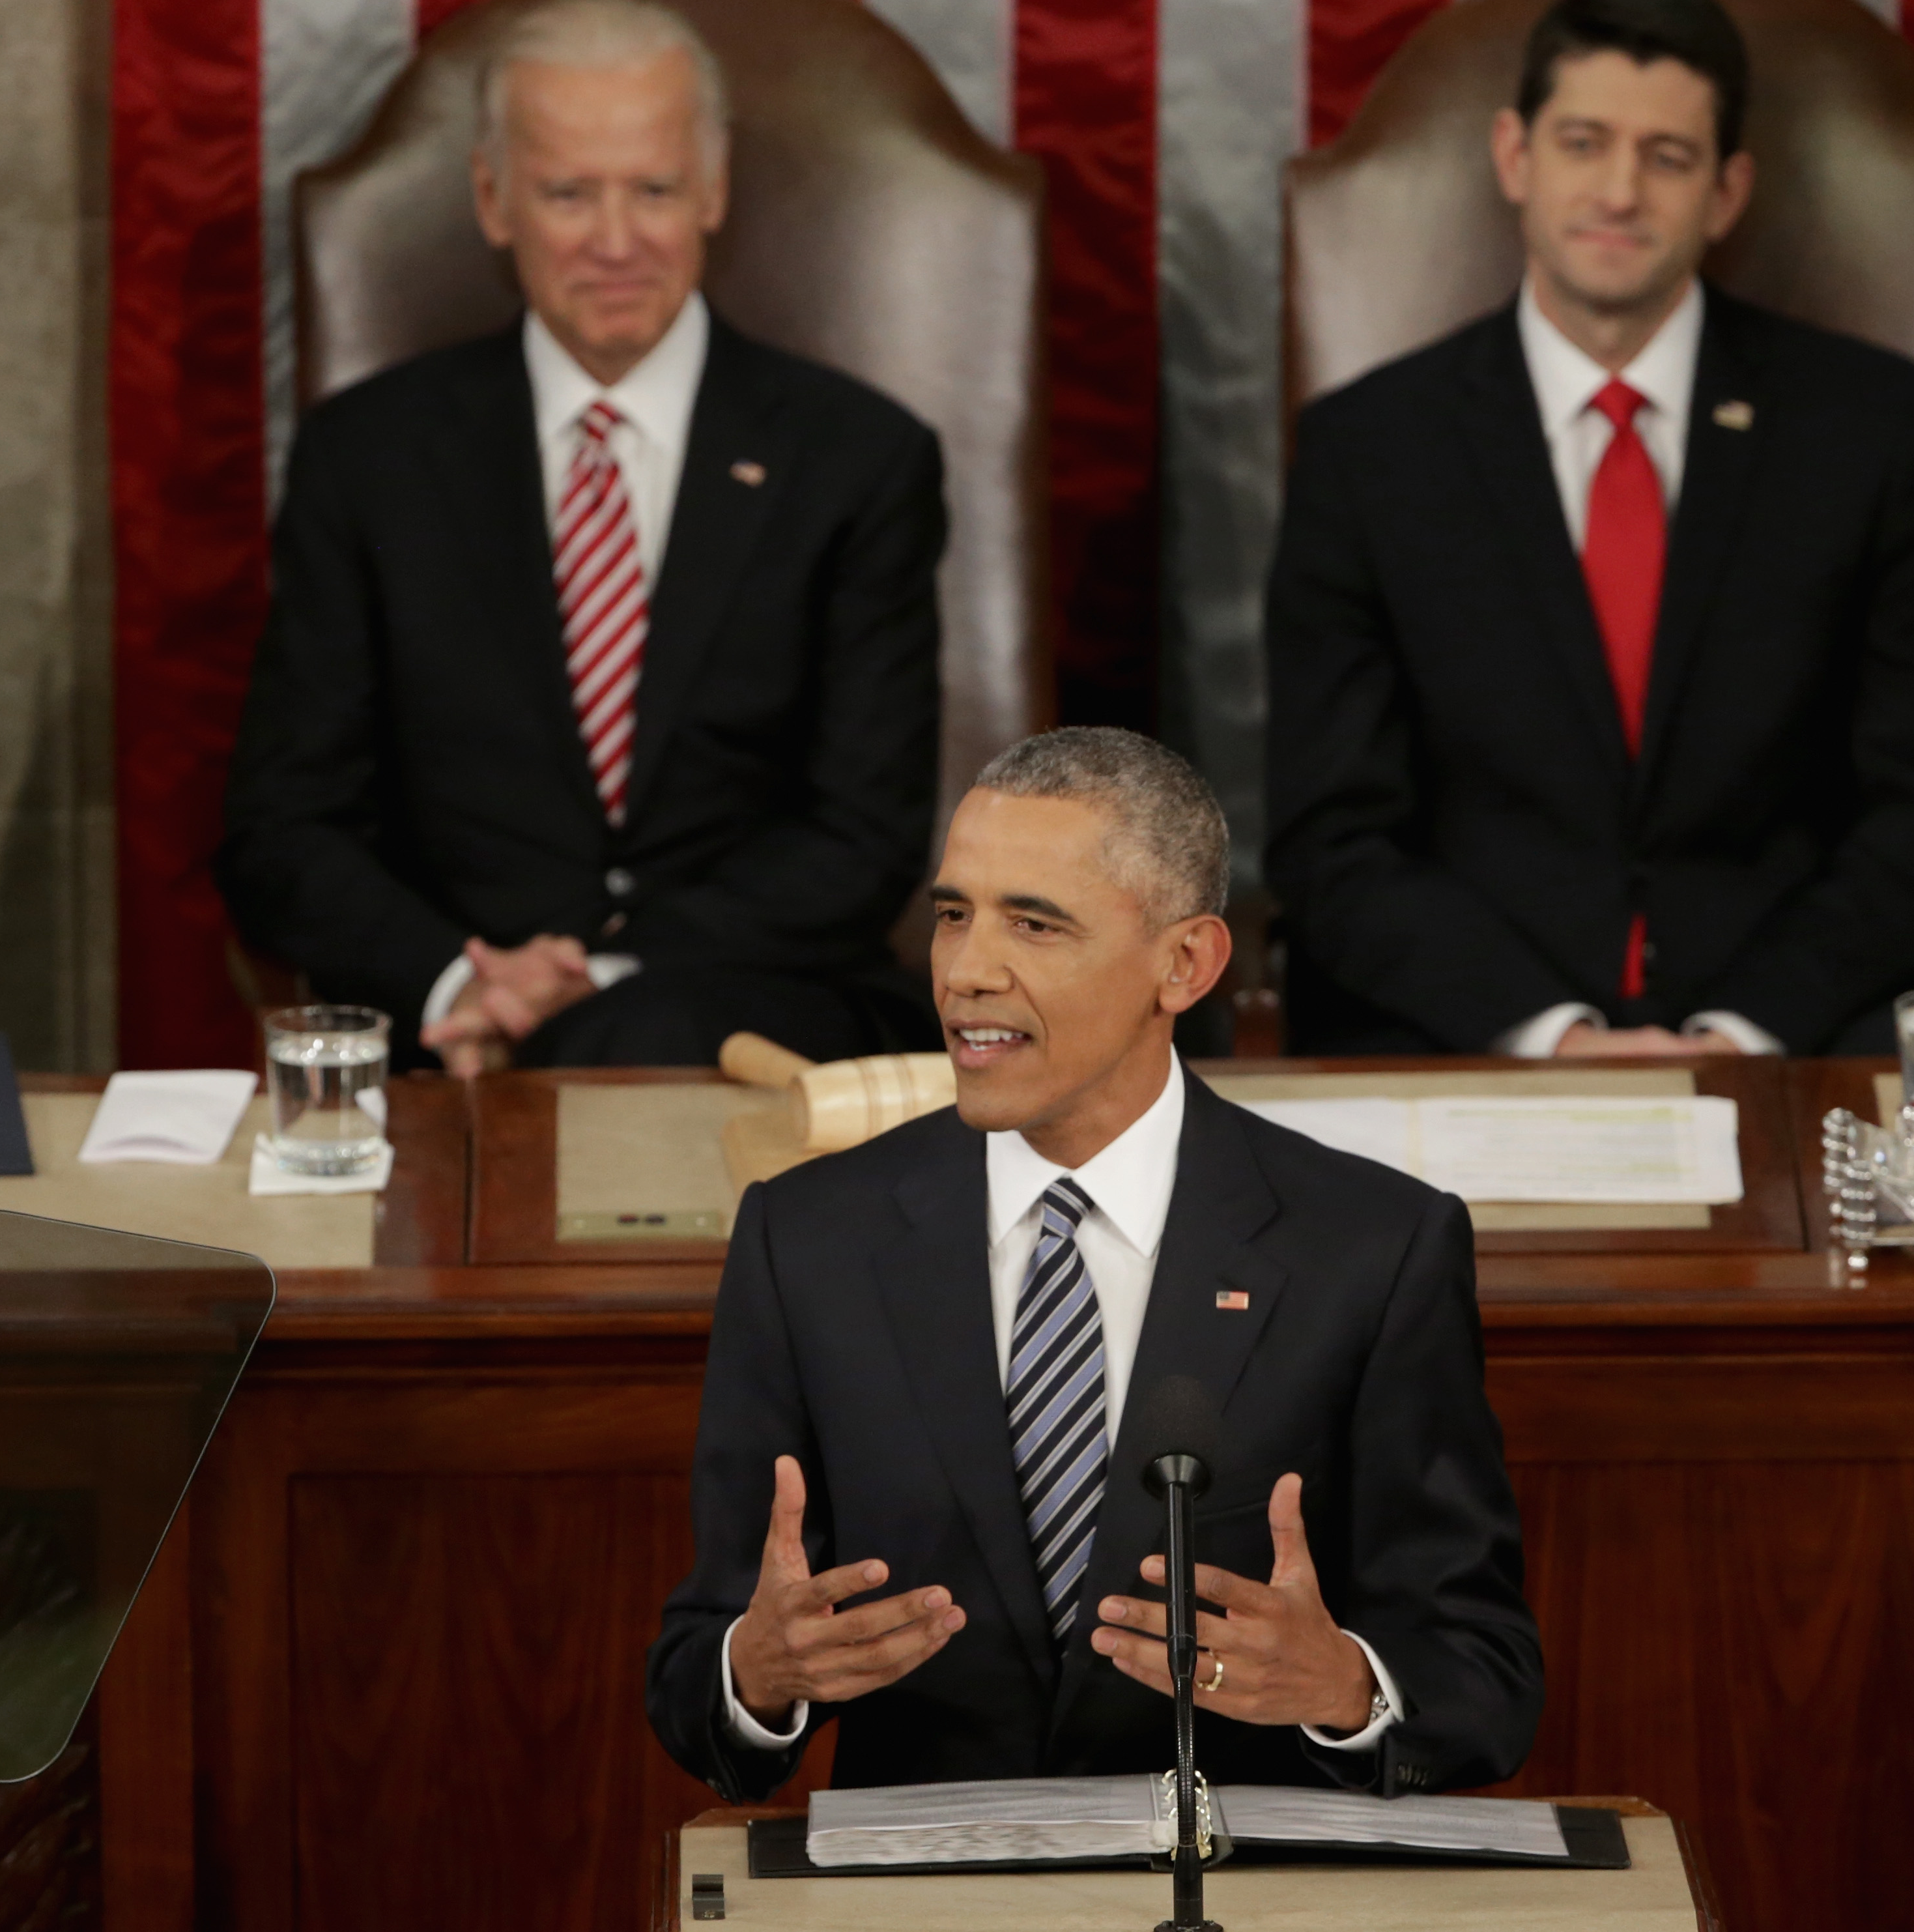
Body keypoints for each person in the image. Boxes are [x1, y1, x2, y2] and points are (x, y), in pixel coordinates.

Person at [647, 728, 1541, 1801]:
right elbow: (699, 1673)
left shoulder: (1372, 1247)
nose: (968, 971)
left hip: (1244, 1911)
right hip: (928, 1927)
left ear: (1186, 964)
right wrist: (758, 1674)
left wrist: (1345, 1687)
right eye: (952, 915)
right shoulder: (807, 1240)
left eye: (1035, 922)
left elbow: (1483, 1676)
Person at [1266, 0, 1914, 1060]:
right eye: (1584, 143)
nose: (1619, 192)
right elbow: (1331, 837)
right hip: (1465, 1038)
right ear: (1514, 157)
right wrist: (1552, 1038)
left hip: (1795, 1038)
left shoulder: (1869, 428)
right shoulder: (1367, 450)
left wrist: (1739, 1034)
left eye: (1667, 158)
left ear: (1728, 192)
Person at [219, 0, 947, 1071]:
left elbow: (861, 840)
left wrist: (591, 990)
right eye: (568, 194)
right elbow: (283, 829)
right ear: (493, 199)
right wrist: (467, 982)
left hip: (744, 1026)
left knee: (640, 1039)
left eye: (653, 189)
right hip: (446, 1035)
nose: (617, 242)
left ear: (714, 189)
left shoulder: (859, 459)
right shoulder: (366, 459)